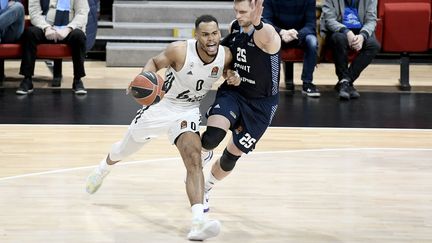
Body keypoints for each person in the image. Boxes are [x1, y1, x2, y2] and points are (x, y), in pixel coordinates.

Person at [85, 15, 240, 241]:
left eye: (215, 33)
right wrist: (143, 78)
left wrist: (232, 75)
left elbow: (226, 71)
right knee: (123, 150)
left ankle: (198, 222)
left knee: (194, 158)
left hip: (187, 111)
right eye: (205, 34)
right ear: (196, 35)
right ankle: (103, 168)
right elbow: (155, 63)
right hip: (162, 106)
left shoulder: (225, 54)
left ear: (220, 33)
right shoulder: (179, 50)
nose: (211, 39)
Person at [199, 0, 281, 213]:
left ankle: (207, 188)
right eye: (236, 10)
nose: (238, 15)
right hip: (235, 93)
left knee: (229, 158)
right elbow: (229, 62)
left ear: (256, 10)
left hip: (260, 106)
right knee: (211, 137)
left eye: (243, 11)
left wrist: (259, 24)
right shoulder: (235, 27)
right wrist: (230, 74)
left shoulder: (267, 35)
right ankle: (205, 153)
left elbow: (269, 37)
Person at [16, 0, 89, 95]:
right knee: (29, 34)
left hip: (68, 28)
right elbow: (34, 13)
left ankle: (77, 80)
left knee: (79, 36)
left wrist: (68, 28)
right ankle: (27, 79)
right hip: (46, 28)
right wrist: (46, 28)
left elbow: (82, 13)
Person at [320, 0, 380, 100]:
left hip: (360, 31)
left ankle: (345, 81)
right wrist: (347, 32)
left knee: (374, 45)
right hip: (338, 30)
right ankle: (347, 83)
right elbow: (329, 20)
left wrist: (362, 36)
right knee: (339, 39)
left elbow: (371, 20)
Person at [263, 0, 320, 97]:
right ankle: (272, 84)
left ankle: (307, 83)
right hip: (278, 34)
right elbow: (265, 21)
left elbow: (311, 25)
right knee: (265, 39)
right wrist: (281, 32)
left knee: (312, 41)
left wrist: (296, 34)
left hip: (299, 35)